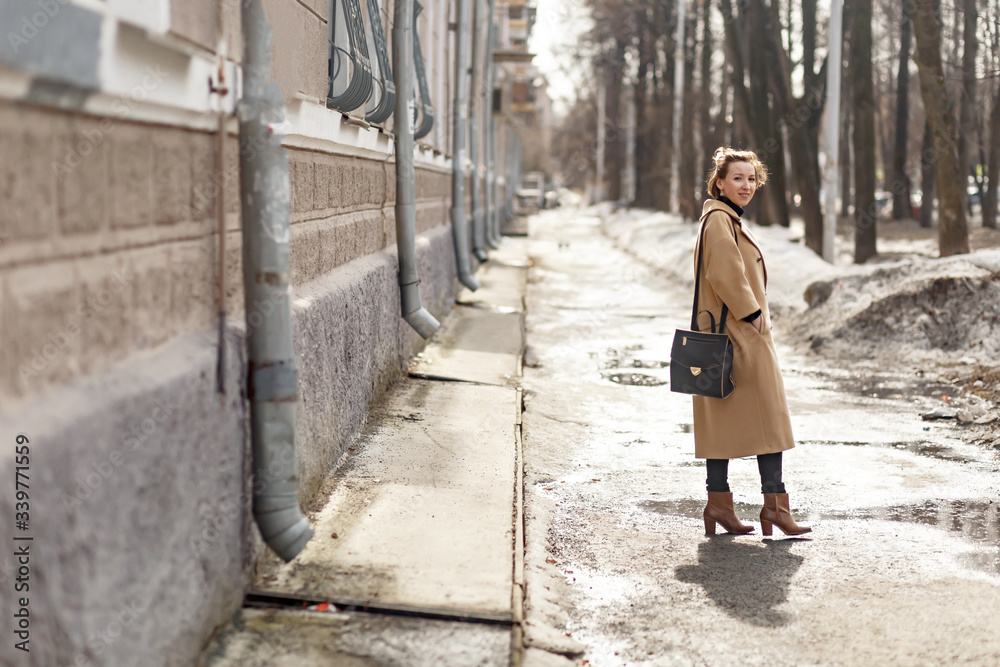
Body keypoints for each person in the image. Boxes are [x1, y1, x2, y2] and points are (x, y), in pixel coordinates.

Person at [692, 147, 811, 537]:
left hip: (730, 336)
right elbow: (724, 274)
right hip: (739, 336)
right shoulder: (719, 221)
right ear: (720, 182)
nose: (746, 185)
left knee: (723, 426)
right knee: (770, 422)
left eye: (751, 179)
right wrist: (753, 315)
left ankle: (720, 506)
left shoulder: (725, 219)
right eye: (738, 178)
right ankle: (772, 507)